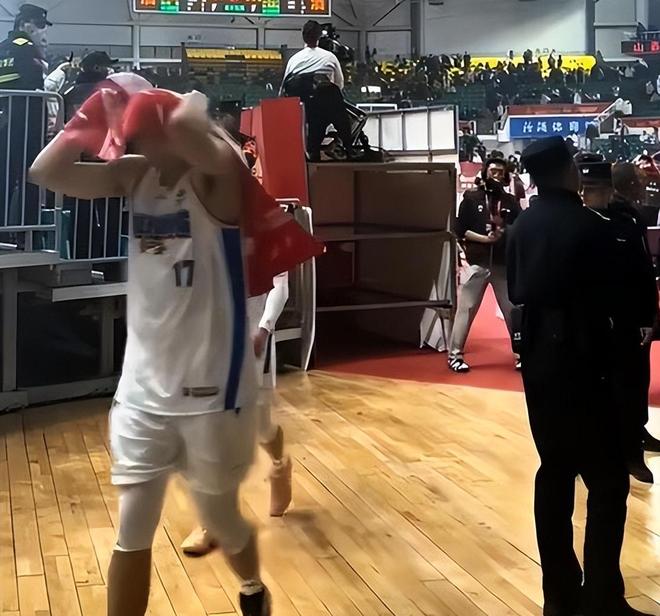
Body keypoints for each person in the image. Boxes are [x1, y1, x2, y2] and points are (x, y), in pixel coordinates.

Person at [29, 89, 273, 616]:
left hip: (213, 391)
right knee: (133, 525)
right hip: (142, 389)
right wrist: (84, 121)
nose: (135, 145)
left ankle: (253, 587)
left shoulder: (217, 176)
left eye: (144, 135)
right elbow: (46, 172)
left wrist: (186, 104)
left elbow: (194, 137)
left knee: (220, 516)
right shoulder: (135, 175)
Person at [507, 136, 650, 616]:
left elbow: (516, 291)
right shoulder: (592, 227)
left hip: (540, 362)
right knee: (607, 483)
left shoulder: (523, 226)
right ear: (567, 171)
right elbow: (616, 302)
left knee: (554, 474)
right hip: (587, 360)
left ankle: (560, 595)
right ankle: (603, 596)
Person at [182, 271, 293, 555]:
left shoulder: (267, 243)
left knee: (261, 426)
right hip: (210, 340)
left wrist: (264, 328)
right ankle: (211, 520)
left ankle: (280, 465)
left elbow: (280, 287)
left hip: (252, 340)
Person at [609, 163, 660, 479]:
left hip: (639, 311)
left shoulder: (633, 215)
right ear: (628, 184)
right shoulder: (610, 218)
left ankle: (638, 431)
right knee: (625, 381)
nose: (645, 184)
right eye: (639, 180)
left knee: (640, 377)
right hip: (620, 315)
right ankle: (627, 450)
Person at [448, 157, 521, 373]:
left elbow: (518, 228)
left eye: (500, 172)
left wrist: (503, 233)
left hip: (501, 264)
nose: (496, 175)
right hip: (477, 263)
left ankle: (521, 354)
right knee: (466, 309)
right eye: (492, 171)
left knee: (511, 310)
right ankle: (455, 355)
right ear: (485, 173)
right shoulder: (471, 198)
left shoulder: (510, 201)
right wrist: (485, 239)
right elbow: (460, 230)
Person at [280, 20, 353, 161]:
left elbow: (284, 89)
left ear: (303, 36)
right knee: (332, 107)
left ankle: (312, 151)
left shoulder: (294, 60)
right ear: (319, 36)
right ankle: (348, 148)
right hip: (325, 106)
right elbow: (339, 85)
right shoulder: (330, 57)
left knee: (317, 112)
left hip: (301, 108)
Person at [63, 51, 117, 121]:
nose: (109, 70)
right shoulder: (107, 91)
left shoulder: (71, 91)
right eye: (107, 67)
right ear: (96, 68)